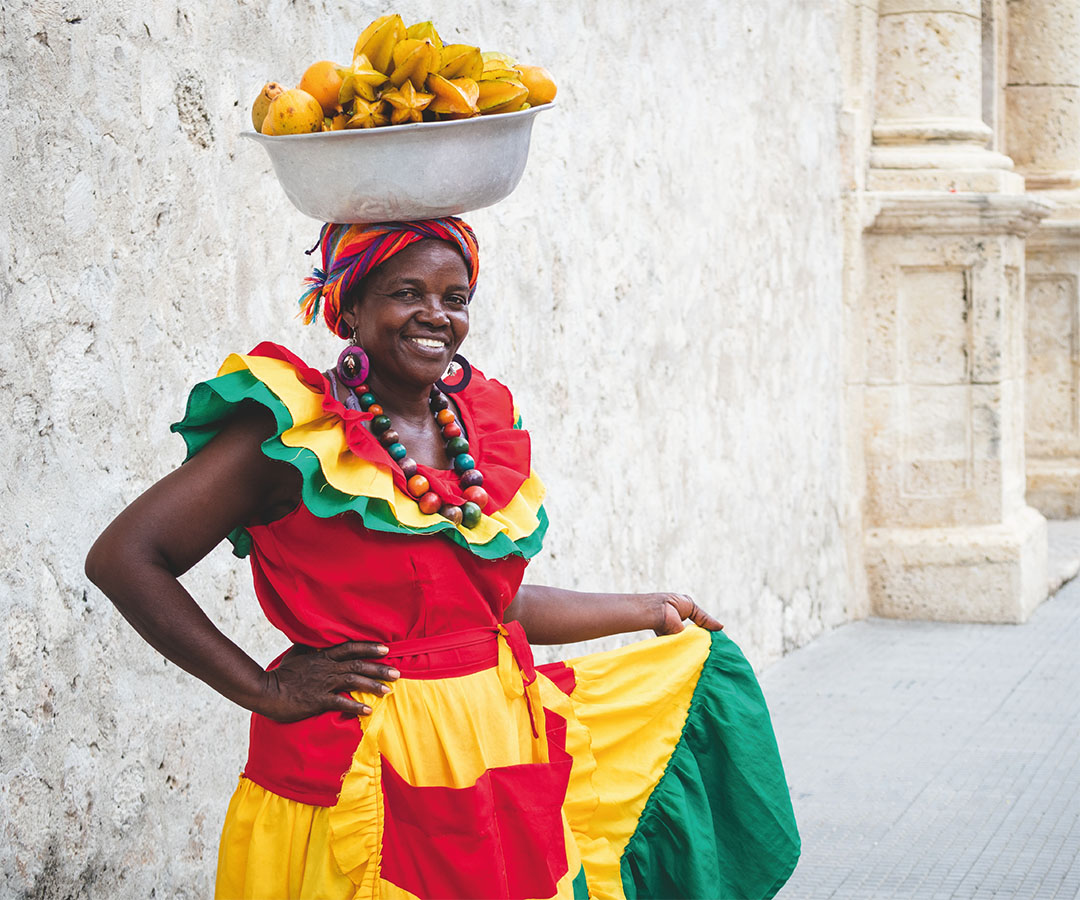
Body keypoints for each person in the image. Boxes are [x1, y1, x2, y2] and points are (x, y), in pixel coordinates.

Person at [86, 217, 799, 900]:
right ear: (350, 304)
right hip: (359, 766)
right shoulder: (290, 433)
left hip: (493, 756)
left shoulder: (474, 431)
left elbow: (492, 610)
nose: (437, 315)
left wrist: (645, 608)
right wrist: (261, 690)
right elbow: (126, 557)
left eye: (454, 299)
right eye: (406, 293)